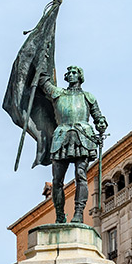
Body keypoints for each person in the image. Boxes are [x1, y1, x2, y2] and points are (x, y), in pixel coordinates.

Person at [38, 65, 107, 224]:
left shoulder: (88, 97)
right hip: (62, 136)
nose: (70, 74)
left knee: (81, 176)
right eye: (68, 72)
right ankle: (60, 214)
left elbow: (98, 117)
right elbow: (43, 81)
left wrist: (102, 124)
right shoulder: (57, 93)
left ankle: (78, 213)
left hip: (82, 136)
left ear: (80, 76)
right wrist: (42, 55)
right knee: (57, 180)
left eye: (74, 72)